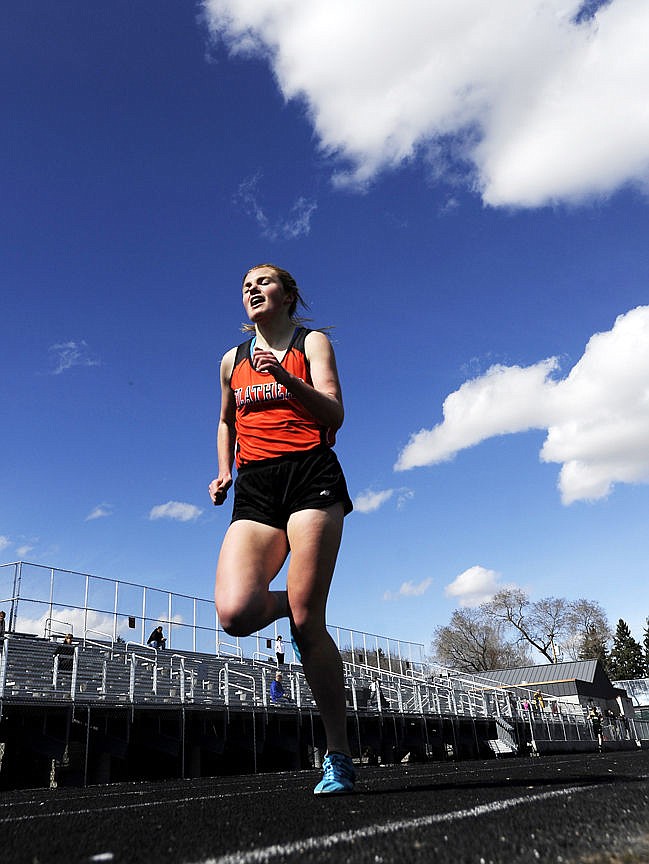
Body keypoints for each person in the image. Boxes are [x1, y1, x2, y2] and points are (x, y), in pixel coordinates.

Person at [209, 264, 355, 795]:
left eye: (264, 281)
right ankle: (296, 611)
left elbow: (334, 414)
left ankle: (337, 754)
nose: (252, 288)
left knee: (307, 623)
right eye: (245, 282)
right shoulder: (231, 360)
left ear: (289, 295)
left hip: (310, 474)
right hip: (256, 485)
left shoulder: (309, 342)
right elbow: (226, 419)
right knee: (235, 612)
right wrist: (225, 469)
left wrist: (285, 377)